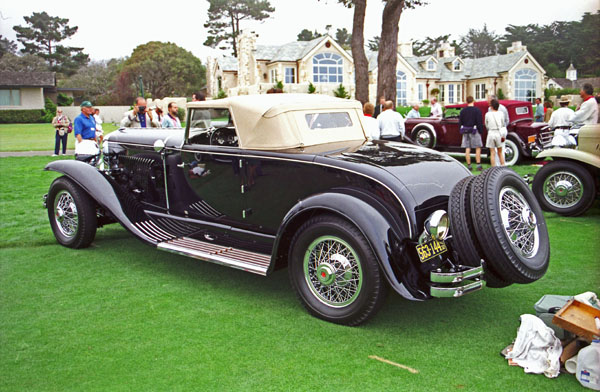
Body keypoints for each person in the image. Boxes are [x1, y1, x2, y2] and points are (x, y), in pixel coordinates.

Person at [459, 96, 484, 171]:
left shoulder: (463, 111)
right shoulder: (477, 110)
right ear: (473, 101)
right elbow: (479, 122)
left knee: (467, 148)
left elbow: (460, 122)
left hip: (466, 131)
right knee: (478, 148)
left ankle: (469, 165)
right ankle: (478, 165)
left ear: (466, 101)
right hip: (474, 130)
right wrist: (481, 131)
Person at [485, 99, 506, 167]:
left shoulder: (487, 114)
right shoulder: (501, 113)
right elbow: (503, 123)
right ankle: (503, 166)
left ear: (491, 106)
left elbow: (486, 124)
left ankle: (493, 167)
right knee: (500, 152)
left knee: (492, 152)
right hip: (498, 132)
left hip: (491, 132)